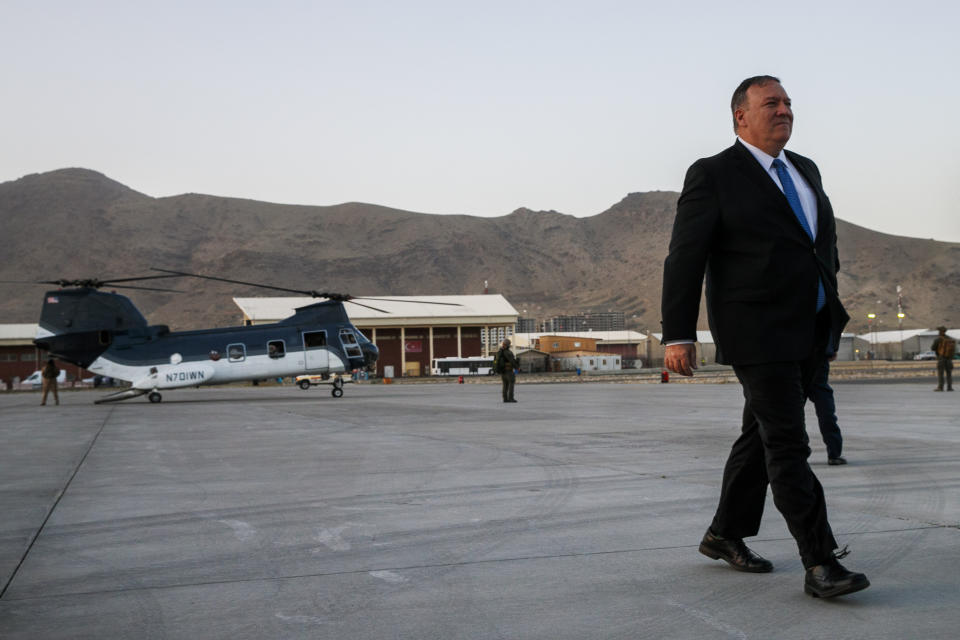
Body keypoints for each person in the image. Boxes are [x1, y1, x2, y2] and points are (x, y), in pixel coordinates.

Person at [661, 75, 868, 598]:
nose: (784, 110)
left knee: (760, 437)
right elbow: (686, 257)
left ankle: (723, 533)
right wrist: (679, 333)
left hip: (811, 327)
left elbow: (821, 245)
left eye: (788, 102)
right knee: (787, 444)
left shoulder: (805, 169)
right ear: (740, 117)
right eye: (771, 103)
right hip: (757, 331)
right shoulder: (713, 174)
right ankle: (820, 563)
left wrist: (828, 296)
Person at [806, 360, 846, 465]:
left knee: (793, 416)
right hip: (817, 363)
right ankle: (834, 454)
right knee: (826, 414)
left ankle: (796, 456)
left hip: (796, 363)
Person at [931, 326, 955, 391]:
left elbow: (933, 348)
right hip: (949, 359)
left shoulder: (938, 339)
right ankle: (949, 387)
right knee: (949, 374)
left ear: (940, 331)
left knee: (940, 373)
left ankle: (940, 387)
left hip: (941, 358)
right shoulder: (950, 339)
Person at [495, 339, 519, 403]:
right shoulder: (507, 352)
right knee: (511, 384)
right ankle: (511, 398)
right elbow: (512, 361)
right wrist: (517, 367)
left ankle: (505, 399)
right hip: (509, 371)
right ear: (508, 345)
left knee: (505, 385)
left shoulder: (499, 352)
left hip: (503, 371)